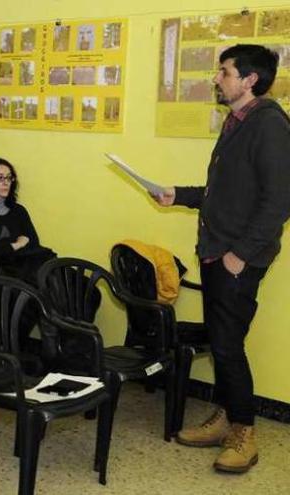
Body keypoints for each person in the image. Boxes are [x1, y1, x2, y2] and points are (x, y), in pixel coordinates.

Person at [153, 44, 290, 473]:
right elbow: (226, 194)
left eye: (224, 72)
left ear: (249, 80)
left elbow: (279, 200)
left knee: (228, 347)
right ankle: (227, 416)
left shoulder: (269, 125)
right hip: (218, 251)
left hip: (236, 258)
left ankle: (244, 433)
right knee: (222, 343)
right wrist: (180, 196)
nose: (217, 78)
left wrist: (240, 256)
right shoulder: (238, 120)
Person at [0, 157, 55, 285]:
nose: (6, 183)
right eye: (0, 178)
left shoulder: (19, 210)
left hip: (22, 267)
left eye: (9, 177)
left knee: (61, 277)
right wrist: (16, 244)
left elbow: (33, 243)